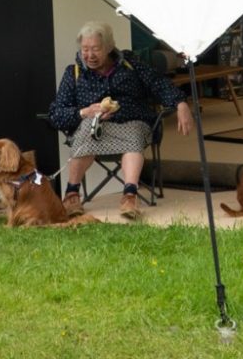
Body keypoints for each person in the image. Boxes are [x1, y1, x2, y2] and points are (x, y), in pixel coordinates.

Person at [50, 22, 195, 218]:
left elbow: (158, 83)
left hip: (133, 120)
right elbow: (57, 114)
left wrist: (180, 103)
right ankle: (72, 193)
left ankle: (129, 196)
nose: (90, 55)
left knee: (134, 134)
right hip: (95, 128)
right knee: (85, 130)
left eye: (96, 49)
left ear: (109, 48)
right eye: (85, 49)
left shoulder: (130, 65)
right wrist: (85, 112)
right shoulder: (73, 74)